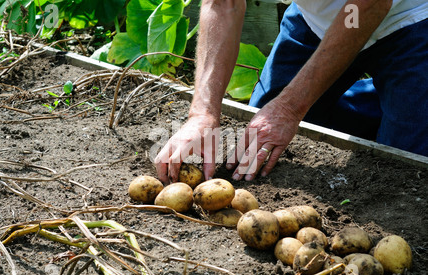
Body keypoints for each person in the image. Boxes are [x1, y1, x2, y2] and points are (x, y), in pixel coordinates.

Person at [154, 0, 428, 185]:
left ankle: (402, 102)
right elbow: (223, 4)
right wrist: (202, 114)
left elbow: (369, 6)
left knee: (404, 170)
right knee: (259, 135)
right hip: (316, 20)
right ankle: (391, 104)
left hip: (410, 19)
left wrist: (289, 108)